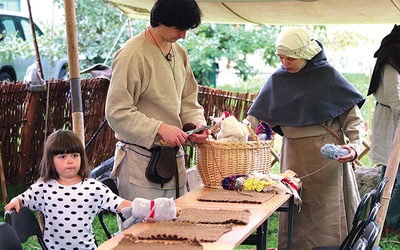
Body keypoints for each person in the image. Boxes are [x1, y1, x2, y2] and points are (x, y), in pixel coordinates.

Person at [246, 26, 366, 249]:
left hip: (327, 161)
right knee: (296, 214)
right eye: (281, 57)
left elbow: (353, 120)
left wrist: (356, 147)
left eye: (290, 58)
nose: (285, 63)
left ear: (304, 54)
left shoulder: (328, 76)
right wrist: (237, 132)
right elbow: (256, 118)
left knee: (327, 216)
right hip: (292, 159)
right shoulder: (279, 80)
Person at [105, 0, 208, 204]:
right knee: (141, 233)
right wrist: (159, 128)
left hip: (173, 162)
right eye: (179, 28)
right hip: (140, 163)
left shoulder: (179, 52)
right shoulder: (131, 55)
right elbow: (117, 112)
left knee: (175, 231)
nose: (183, 35)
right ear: (161, 20)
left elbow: (188, 99)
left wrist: (196, 124)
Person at [4, 130, 132, 250]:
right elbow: (23, 199)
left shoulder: (94, 187)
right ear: (51, 160)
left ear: (81, 158)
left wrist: (145, 209)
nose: (70, 161)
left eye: (74, 155)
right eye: (63, 157)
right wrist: (17, 200)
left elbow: (120, 204)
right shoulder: (43, 188)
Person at [367, 24, 400, 235]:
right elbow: (393, 92)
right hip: (394, 117)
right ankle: (389, 222)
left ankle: (382, 218)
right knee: (392, 171)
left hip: (395, 114)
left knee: (390, 171)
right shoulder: (393, 50)